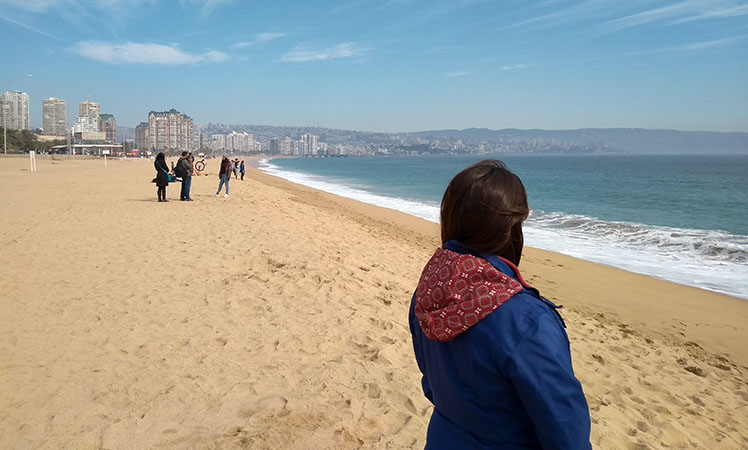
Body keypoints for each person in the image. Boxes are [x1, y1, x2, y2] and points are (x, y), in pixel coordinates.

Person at [409, 160, 591, 449]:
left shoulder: (428, 293)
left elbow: (431, 384)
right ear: (511, 228)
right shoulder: (527, 320)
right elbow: (565, 428)